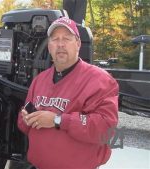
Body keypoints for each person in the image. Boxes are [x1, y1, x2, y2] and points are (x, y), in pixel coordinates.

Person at [17, 17, 119, 169]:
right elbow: (22, 122)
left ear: (78, 44)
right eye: (55, 39)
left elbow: (106, 129)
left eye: (67, 38)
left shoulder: (100, 80)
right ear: (49, 46)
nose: (60, 44)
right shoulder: (39, 80)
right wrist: (26, 118)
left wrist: (58, 120)